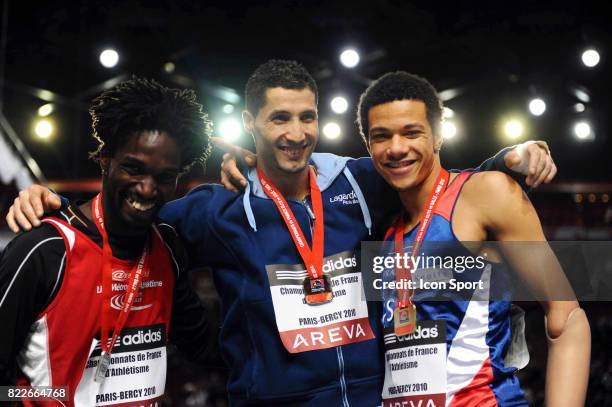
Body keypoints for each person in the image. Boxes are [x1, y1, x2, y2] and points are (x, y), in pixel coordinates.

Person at [6, 60, 557, 406]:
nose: (296, 134)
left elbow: (432, 182)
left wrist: (504, 161)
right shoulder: (216, 209)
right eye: (279, 119)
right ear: (250, 124)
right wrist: (54, 205)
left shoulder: (359, 180)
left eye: (307, 117)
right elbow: (126, 218)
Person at [355, 71, 590, 406]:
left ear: (438, 136)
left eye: (412, 133)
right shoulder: (381, 225)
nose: (396, 148)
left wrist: (514, 155)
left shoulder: (485, 193)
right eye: (381, 136)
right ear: (368, 145)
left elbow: (566, 319)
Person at [0, 77, 215, 406]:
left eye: (164, 177)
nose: (146, 189)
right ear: (105, 161)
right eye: (133, 168)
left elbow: (204, 345)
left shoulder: (167, 247)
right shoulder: (45, 250)